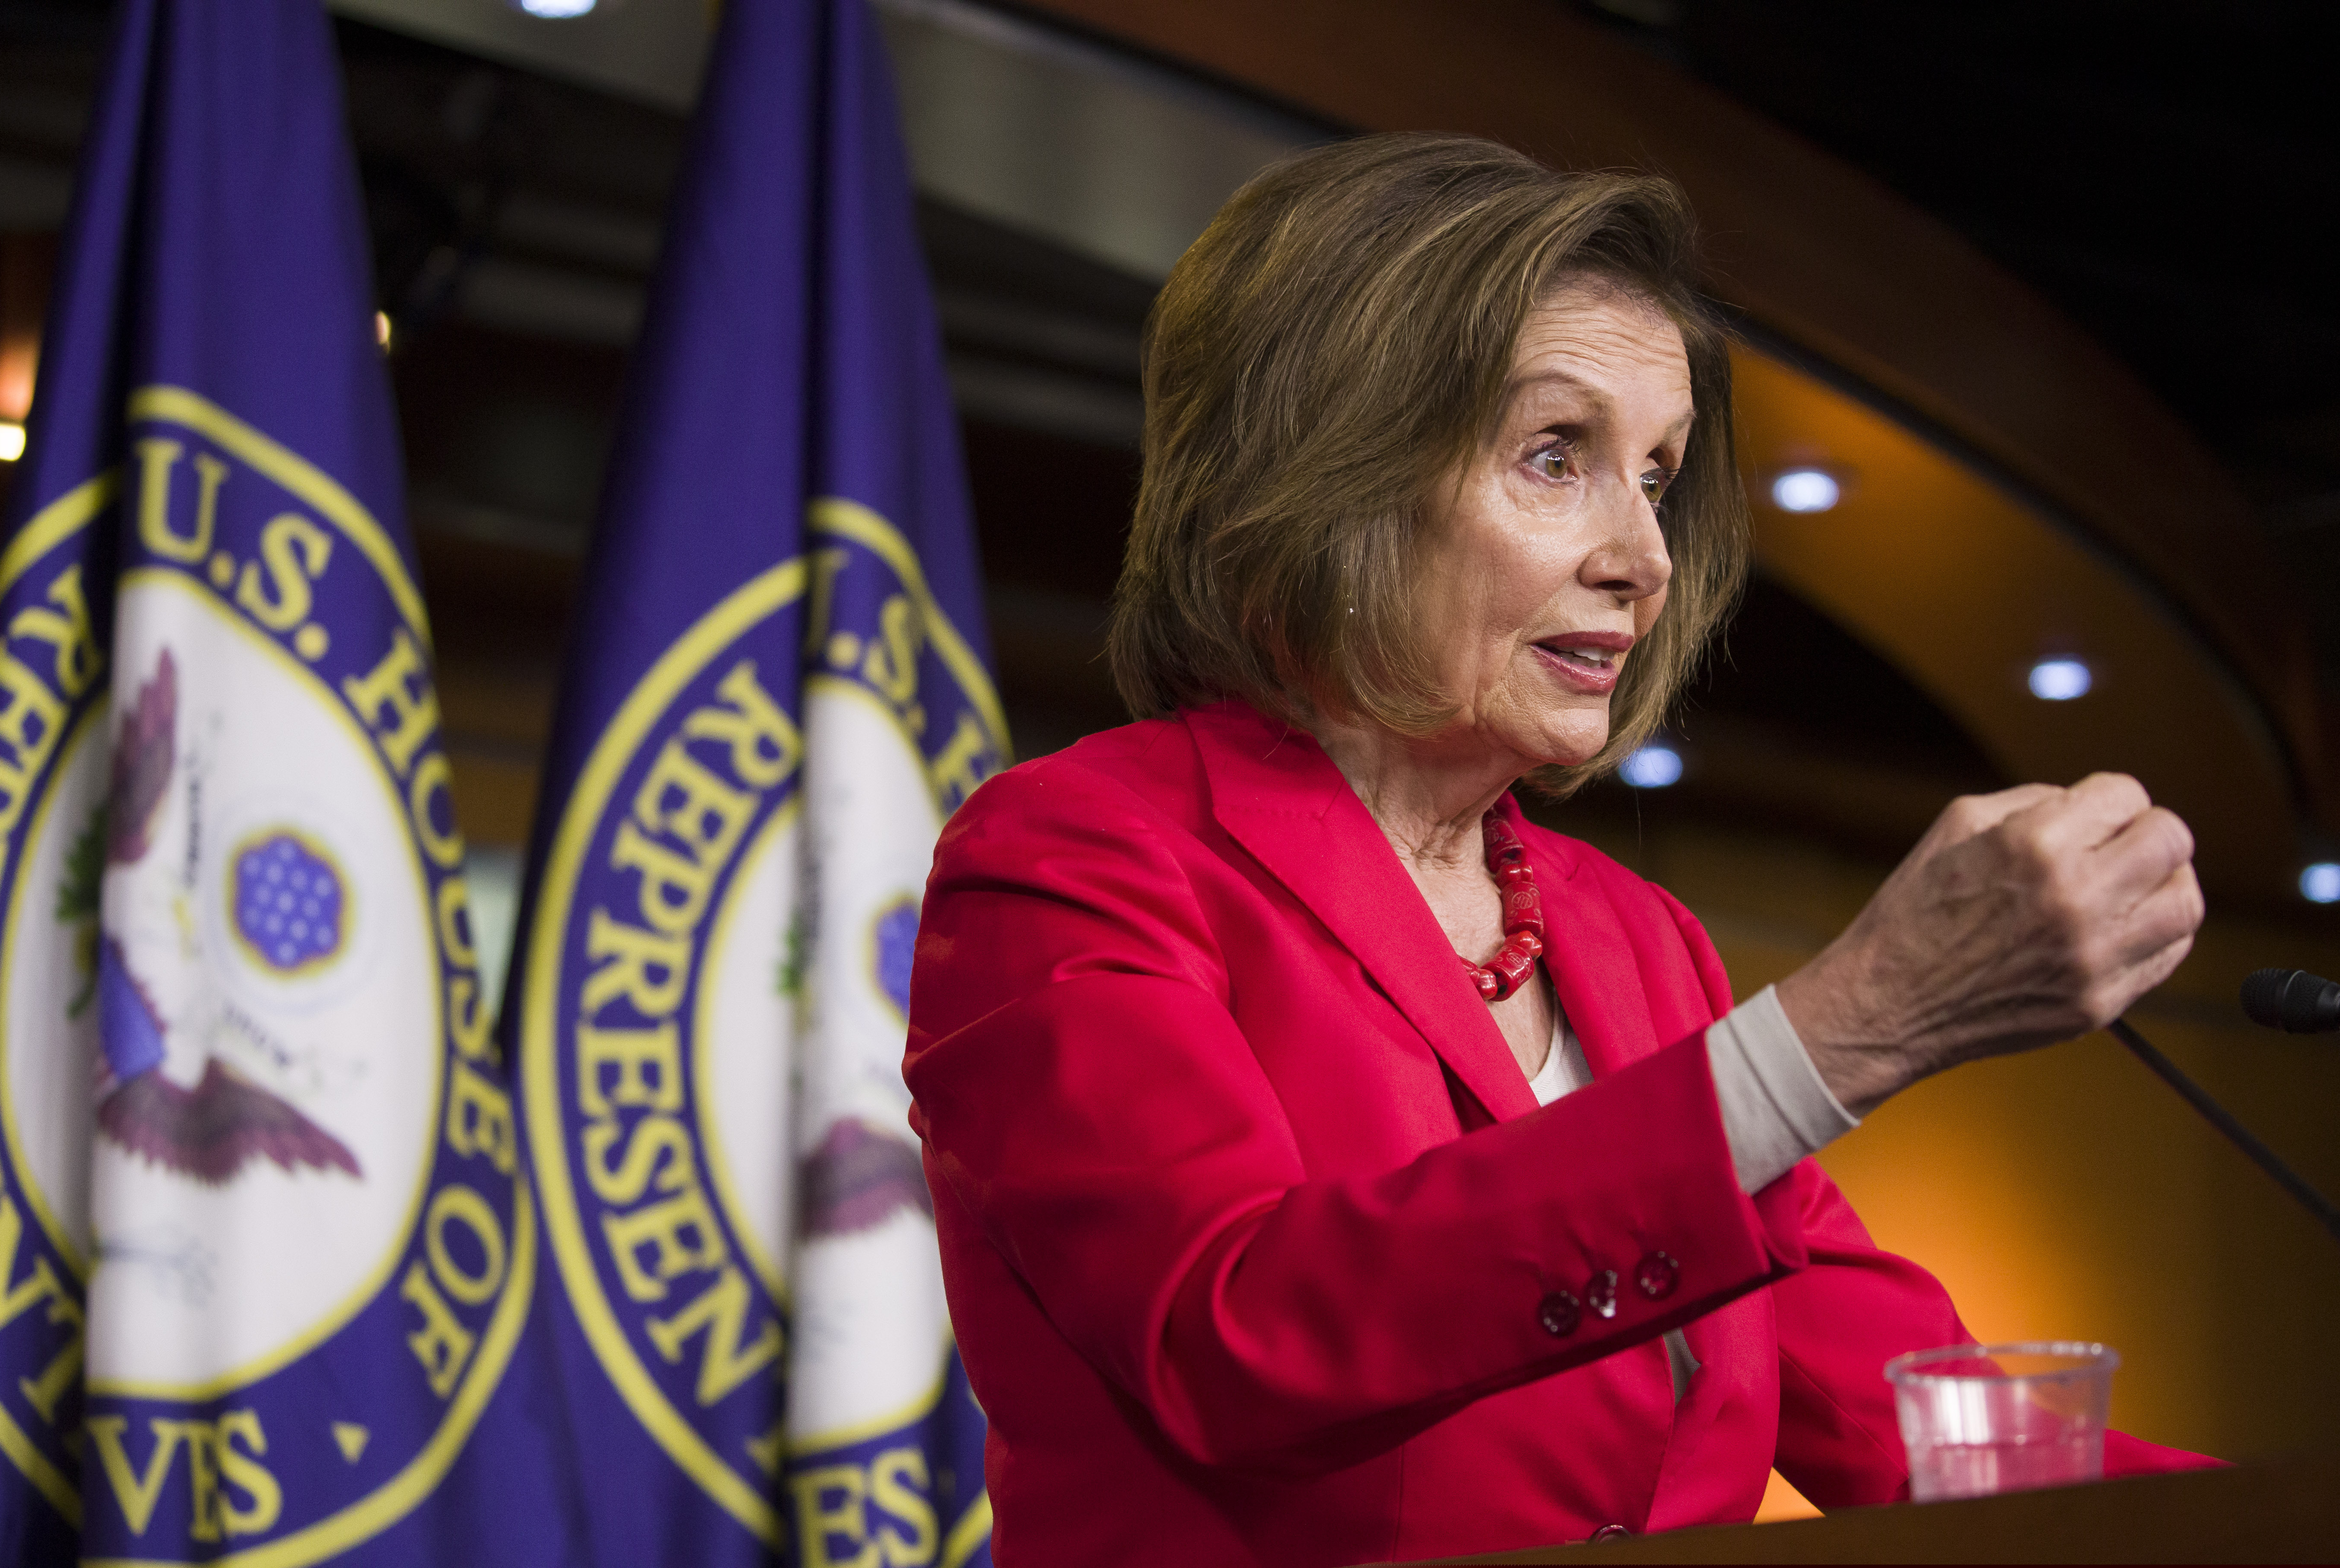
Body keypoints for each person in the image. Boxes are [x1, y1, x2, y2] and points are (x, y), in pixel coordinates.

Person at [903, 134, 2212, 1566]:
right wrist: (1850, 1030)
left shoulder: (1642, 941)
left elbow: (1915, 1434)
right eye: (1556, 455)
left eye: (1657, 474)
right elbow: (1235, 1336)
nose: (1645, 556)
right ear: (1325, 473)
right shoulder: (1075, 861)